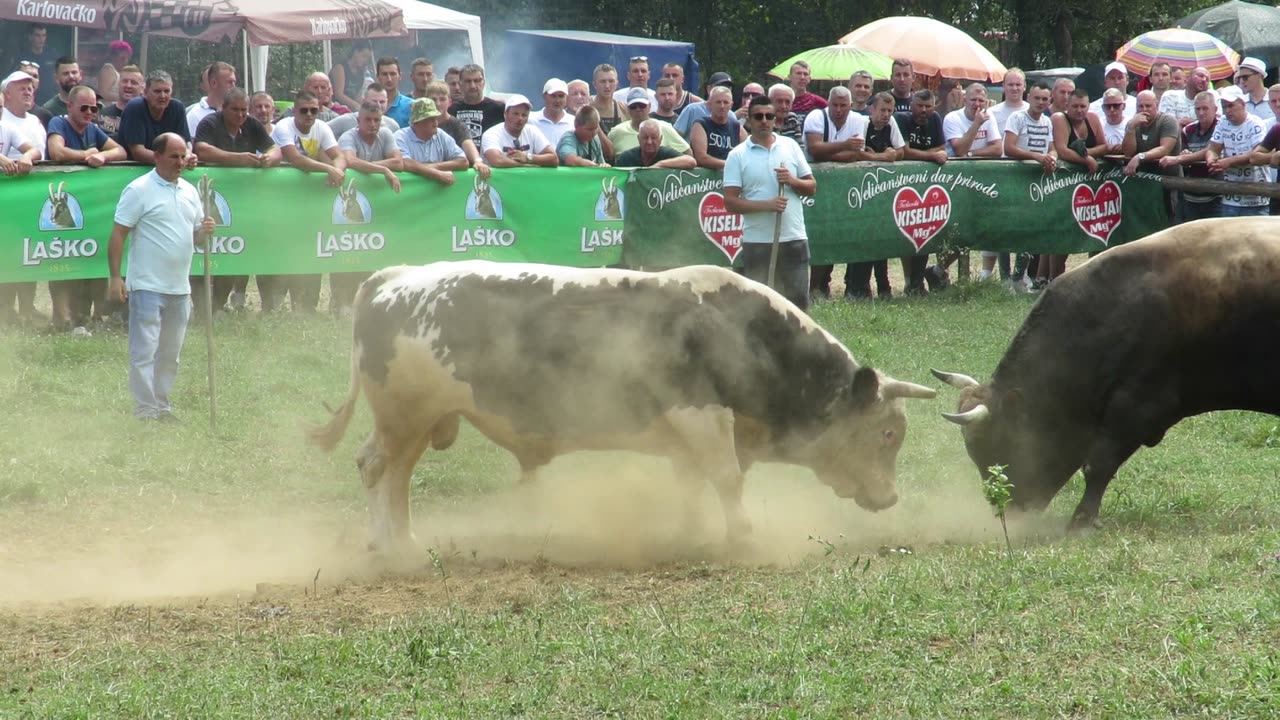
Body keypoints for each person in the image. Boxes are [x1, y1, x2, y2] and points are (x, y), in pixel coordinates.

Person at [107, 132, 215, 422]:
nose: (180, 162)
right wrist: (116, 277)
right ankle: (145, 409)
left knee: (170, 353)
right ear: (157, 157)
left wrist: (204, 231)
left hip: (180, 287)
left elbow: (197, 241)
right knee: (144, 352)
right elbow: (118, 235)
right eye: (173, 156)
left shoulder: (190, 192)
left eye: (183, 156)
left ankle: (163, 405)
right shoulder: (139, 190)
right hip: (146, 285)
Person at [193, 87, 281, 313]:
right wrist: (237, 159)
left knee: (232, 256)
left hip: (243, 203)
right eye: (235, 110)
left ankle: (218, 307)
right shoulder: (209, 123)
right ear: (224, 108)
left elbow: (274, 148)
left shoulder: (252, 125)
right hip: (210, 200)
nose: (241, 115)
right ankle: (202, 308)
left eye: (244, 110)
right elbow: (202, 150)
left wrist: (270, 158)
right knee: (204, 254)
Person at [723, 97, 817, 310]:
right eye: (758, 116)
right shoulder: (737, 155)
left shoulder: (790, 146)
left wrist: (792, 181)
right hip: (758, 242)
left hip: (794, 237)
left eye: (769, 116)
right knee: (758, 307)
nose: (764, 121)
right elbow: (730, 202)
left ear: (775, 119)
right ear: (749, 120)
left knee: (797, 304)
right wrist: (768, 205)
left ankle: (797, 344)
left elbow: (811, 187)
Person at [272, 90, 345, 312]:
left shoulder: (322, 128)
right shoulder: (284, 126)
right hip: (281, 199)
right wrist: (328, 169)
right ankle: (274, 306)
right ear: (294, 110)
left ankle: (307, 307)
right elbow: (295, 159)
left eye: (315, 110)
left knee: (312, 249)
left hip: (309, 201)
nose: (310, 115)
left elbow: (339, 156)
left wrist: (338, 171)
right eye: (304, 110)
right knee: (283, 252)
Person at [333, 99, 403, 317]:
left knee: (375, 256)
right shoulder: (348, 136)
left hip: (378, 208)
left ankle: (373, 305)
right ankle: (342, 304)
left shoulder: (386, 135)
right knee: (345, 255)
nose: (373, 124)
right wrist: (383, 170)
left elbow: (399, 162)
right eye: (368, 120)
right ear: (358, 120)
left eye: (377, 120)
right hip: (348, 209)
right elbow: (350, 161)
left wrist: (370, 168)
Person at [804, 86, 868, 298]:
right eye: (835, 105)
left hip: (847, 184)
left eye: (843, 106)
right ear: (828, 103)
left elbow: (856, 154)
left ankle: (837, 285)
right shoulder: (816, 116)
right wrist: (845, 146)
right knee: (820, 234)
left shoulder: (859, 120)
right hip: (817, 183)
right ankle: (815, 287)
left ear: (850, 106)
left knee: (843, 233)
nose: (838, 110)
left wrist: (833, 151)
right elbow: (814, 150)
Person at [846, 93, 906, 298]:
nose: (886, 115)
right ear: (872, 109)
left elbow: (901, 151)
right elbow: (857, 154)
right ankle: (855, 286)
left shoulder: (892, 125)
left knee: (881, 237)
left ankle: (883, 285)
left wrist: (879, 156)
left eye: (890, 111)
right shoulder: (861, 124)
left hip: (883, 189)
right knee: (860, 237)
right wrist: (883, 157)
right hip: (859, 189)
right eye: (882, 110)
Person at [0, 70, 45, 325]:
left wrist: (27, 157)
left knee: (23, 251)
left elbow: (35, 149)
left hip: (14, 204)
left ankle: (25, 309)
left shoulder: (7, 127)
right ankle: (4, 309)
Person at [896, 89, 951, 289]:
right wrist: (930, 155)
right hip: (900, 186)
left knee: (924, 232)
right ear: (911, 105)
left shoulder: (935, 119)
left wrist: (921, 153)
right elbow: (904, 151)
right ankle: (908, 281)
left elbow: (942, 148)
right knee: (903, 235)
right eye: (920, 106)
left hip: (927, 186)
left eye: (928, 106)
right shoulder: (901, 119)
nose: (924, 110)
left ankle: (917, 283)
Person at [1206, 85, 1269, 217]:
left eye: (1231, 106)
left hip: (1256, 197)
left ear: (1242, 104)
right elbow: (1213, 148)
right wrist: (1211, 160)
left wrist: (1228, 162)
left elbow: (1258, 154)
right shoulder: (1222, 122)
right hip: (1230, 196)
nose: (1227, 110)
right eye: (1224, 107)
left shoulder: (1256, 123)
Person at [1161, 91, 1221, 221]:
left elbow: (1210, 150)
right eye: (1198, 109)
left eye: (1205, 108)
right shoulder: (1187, 130)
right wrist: (1185, 155)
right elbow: (1184, 157)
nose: (1201, 112)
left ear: (1215, 109)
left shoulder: (1222, 126)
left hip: (1217, 193)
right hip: (1190, 194)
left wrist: (1182, 158)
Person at [118, 70, 194, 165]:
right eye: (157, 91)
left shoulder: (177, 108)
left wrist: (188, 155)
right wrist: (171, 162)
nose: (162, 96)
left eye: (167, 91)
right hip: (131, 168)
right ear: (145, 92)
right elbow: (137, 152)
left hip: (167, 167)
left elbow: (186, 143)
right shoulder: (135, 107)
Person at [422, 80, 491, 178]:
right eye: (433, 99)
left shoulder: (457, 124)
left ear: (449, 102)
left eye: (442, 99)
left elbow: (467, 142)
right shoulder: (419, 124)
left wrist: (477, 161)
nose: (437, 103)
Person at [396, 97, 468, 182]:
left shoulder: (440, 134)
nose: (435, 123)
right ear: (417, 122)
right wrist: (437, 174)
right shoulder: (400, 137)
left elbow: (463, 161)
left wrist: (435, 166)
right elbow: (405, 163)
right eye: (431, 120)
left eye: (436, 119)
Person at [480, 94, 558, 168]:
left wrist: (527, 157)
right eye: (515, 114)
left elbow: (554, 159)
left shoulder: (532, 131)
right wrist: (524, 165)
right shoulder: (491, 133)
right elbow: (497, 160)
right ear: (505, 114)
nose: (520, 118)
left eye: (524, 115)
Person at [609, 87, 690, 155]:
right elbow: (606, 158)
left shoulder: (664, 128)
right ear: (627, 108)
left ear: (649, 106)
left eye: (642, 105)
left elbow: (688, 153)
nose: (638, 109)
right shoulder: (616, 132)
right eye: (633, 106)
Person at [690, 86, 745, 169]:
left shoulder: (737, 127)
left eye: (726, 102)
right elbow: (701, 158)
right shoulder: (700, 125)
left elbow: (748, 153)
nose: (722, 106)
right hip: (706, 179)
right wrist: (730, 164)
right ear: (710, 104)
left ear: (731, 105)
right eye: (718, 102)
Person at [943, 83, 1002, 158]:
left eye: (981, 101)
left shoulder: (988, 115)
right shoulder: (952, 118)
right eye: (973, 100)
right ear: (965, 100)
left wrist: (970, 154)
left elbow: (998, 149)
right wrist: (976, 124)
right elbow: (960, 151)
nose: (977, 104)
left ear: (986, 103)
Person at [448, 63, 504, 141]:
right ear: (460, 84)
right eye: (468, 81)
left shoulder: (499, 110)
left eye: (477, 81)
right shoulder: (451, 110)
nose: (473, 86)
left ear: (483, 83)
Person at [326, 83, 401, 138]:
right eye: (374, 101)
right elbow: (321, 132)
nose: (378, 105)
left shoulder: (393, 125)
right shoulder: (346, 120)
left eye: (382, 102)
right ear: (363, 101)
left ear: (387, 103)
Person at [672, 71, 734, 137]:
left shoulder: (731, 116)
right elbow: (675, 137)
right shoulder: (692, 110)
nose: (723, 90)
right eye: (719, 87)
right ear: (709, 89)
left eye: (728, 88)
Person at [614, 120, 696, 168]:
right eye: (645, 137)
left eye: (653, 138)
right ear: (639, 139)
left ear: (661, 139)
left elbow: (691, 161)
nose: (649, 142)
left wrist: (660, 164)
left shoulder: (665, 153)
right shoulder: (626, 157)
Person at [186, 61, 235, 135]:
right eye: (229, 82)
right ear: (214, 83)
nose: (233, 86)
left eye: (234, 82)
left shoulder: (240, 112)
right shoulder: (194, 115)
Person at [98, 63, 142, 140]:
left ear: (142, 88)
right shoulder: (104, 114)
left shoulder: (146, 116)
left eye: (133, 82)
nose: (128, 85)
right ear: (118, 84)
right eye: (125, 81)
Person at [20, 25, 60, 105]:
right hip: (29, 98)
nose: (41, 39)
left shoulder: (52, 54)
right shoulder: (23, 56)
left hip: (49, 99)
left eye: (43, 35)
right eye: (37, 35)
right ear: (30, 37)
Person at [331, 41, 374, 110]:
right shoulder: (340, 67)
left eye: (367, 58)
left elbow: (357, 97)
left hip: (351, 109)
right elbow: (339, 94)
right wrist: (356, 106)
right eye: (364, 56)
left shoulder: (361, 72)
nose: (365, 60)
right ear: (355, 52)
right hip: (337, 107)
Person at [530, 78, 573, 147]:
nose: (557, 100)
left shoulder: (574, 122)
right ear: (544, 96)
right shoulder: (531, 120)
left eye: (561, 96)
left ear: (566, 98)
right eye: (553, 96)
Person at [590, 63, 628, 134]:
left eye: (611, 81)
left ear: (617, 84)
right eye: (602, 81)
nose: (607, 86)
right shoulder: (586, 107)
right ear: (594, 84)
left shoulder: (623, 109)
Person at [375, 58, 411, 128]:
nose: (389, 79)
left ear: (400, 76)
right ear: (377, 77)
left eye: (393, 74)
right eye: (384, 74)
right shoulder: (370, 104)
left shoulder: (411, 105)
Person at [1236, 57, 1274, 123]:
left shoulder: (1275, 100)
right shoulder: (1239, 102)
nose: (1241, 81)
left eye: (1245, 77)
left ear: (1259, 75)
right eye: (1239, 78)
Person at [989, 67, 1027, 133]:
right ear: (1003, 86)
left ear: (1024, 86)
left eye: (1018, 85)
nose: (1014, 88)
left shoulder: (1032, 112)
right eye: (1010, 85)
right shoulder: (992, 113)